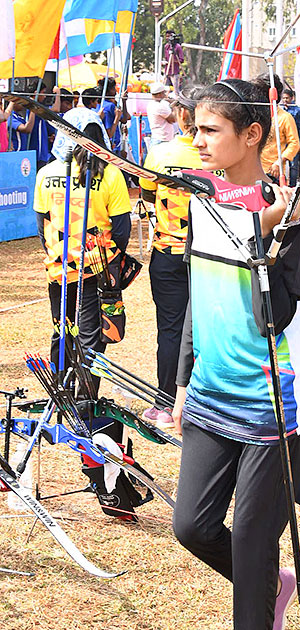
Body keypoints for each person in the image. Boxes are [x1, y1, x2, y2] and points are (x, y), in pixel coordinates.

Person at [171, 76, 300, 630]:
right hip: (211, 387)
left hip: (274, 395)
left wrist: (269, 230)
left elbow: (276, 315)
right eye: (195, 128)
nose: (197, 140)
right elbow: (198, 299)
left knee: (255, 532)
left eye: (210, 129)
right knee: (192, 526)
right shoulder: (201, 199)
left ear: (252, 134)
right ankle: (270, 585)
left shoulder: (294, 212)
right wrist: (181, 380)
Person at [33, 109, 131, 374]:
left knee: (62, 330)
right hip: (96, 268)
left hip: (60, 267)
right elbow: (121, 231)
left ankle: (66, 392)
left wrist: (59, 255)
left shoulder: (45, 173)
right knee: (92, 337)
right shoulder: (111, 174)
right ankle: (84, 403)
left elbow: (43, 227)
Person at [139, 95, 202, 429]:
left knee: (172, 330)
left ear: (179, 115)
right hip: (209, 258)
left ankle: (166, 403)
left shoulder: (162, 153)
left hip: (168, 254)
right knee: (209, 330)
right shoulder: (217, 154)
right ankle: (202, 404)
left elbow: (147, 193)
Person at [258, 74, 300, 183]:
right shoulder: (255, 116)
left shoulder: (285, 117)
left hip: (273, 171)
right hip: (254, 170)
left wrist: (279, 162)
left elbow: (294, 143)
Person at [97, 77, 130, 153]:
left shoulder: (99, 104)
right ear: (108, 91)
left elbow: (128, 117)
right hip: (113, 143)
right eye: (113, 89)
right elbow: (125, 119)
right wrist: (124, 101)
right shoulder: (110, 106)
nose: (115, 91)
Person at [281, 88, 300, 185]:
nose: (285, 100)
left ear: (292, 98)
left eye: (287, 98)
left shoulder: (297, 110)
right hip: (282, 142)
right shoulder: (280, 110)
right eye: (283, 98)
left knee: (293, 165)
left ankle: (292, 186)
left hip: (292, 142)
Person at [146, 83, 177, 147]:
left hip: (160, 139)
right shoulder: (159, 106)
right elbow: (173, 119)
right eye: (164, 93)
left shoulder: (152, 104)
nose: (165, 95)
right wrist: (175, 106)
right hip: (162, 140)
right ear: (159, 94)